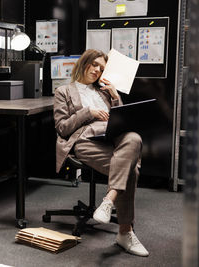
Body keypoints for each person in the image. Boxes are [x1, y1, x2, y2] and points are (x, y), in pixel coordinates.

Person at [54, 49, 149, 257]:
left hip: (112, 138)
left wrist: (115, 96)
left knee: (134, 137)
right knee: (131, 169)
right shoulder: (64, 91)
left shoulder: (104, 91)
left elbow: (123, 120)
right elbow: (62, 128)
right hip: (85, 141)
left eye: (102, 68)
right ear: (84, 63)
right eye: (94, 64)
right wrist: (88, 112)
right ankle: (125, 232)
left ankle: (108, 200)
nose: (97, 70)